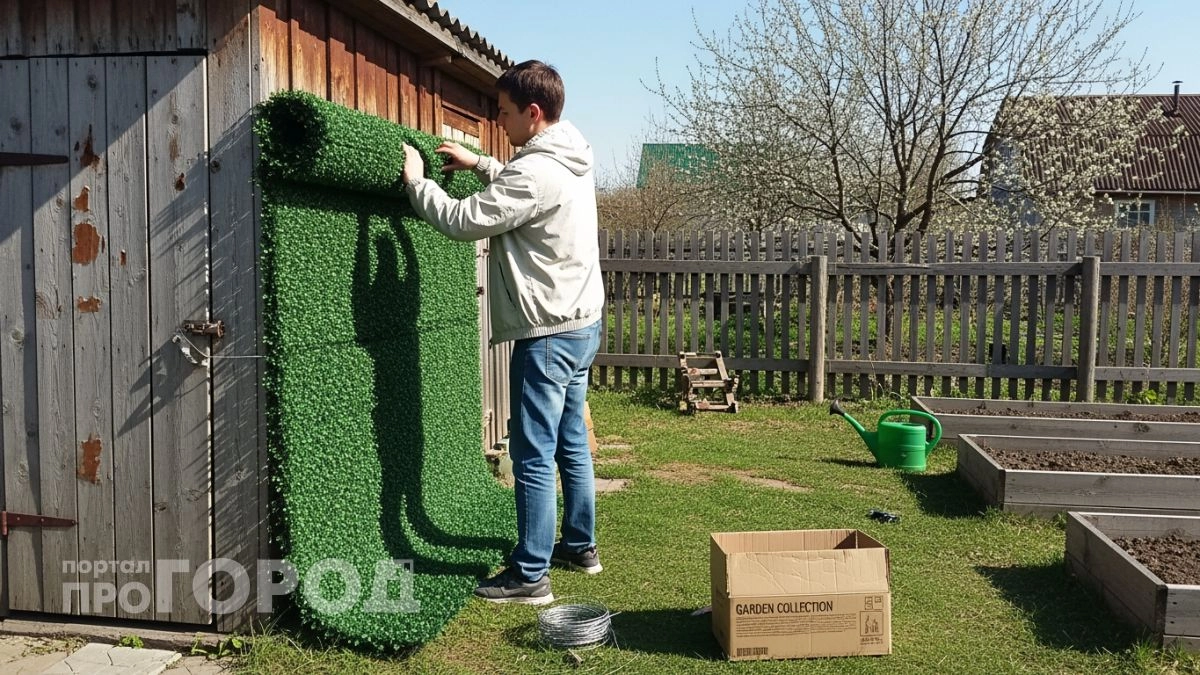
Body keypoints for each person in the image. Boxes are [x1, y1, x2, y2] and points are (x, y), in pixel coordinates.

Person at [400, 60, 604, 605]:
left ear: (532, 113)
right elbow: (524, 188)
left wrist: (419, 184)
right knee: (570, 441)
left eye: (505, 111)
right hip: (583, 323)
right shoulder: (572, 155)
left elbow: (464, 220)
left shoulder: (535, 172)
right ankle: (581, 546)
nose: (499, 118)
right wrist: (483, 162)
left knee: (532, 452)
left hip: (548, 334)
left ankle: (530, 575)